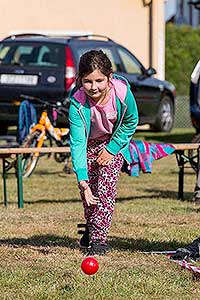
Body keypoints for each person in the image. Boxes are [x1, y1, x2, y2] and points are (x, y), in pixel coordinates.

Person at [69, 50, 138, 256]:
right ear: (80, 80)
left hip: (112, 143)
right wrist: (82, 179)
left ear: (110, 77)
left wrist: (112, 149)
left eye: (99, 80)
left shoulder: (122, 93)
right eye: (88, 81)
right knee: (89, 194)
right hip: (88, 145)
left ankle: (100, 240)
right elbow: (78, 142)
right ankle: (92, 227)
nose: (94, 87)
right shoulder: (77, 103)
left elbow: (130, 121)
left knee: (105, 189)